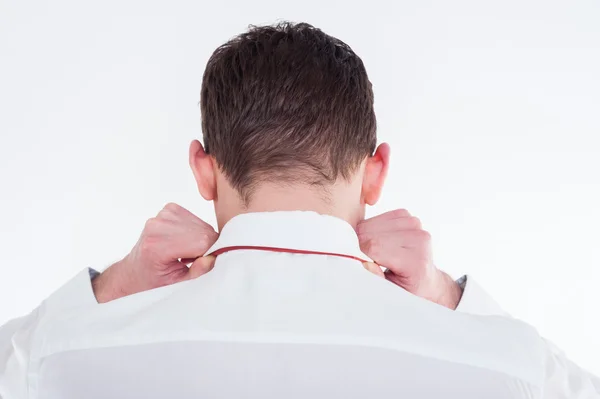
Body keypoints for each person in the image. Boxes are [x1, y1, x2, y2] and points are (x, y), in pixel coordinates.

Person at [0, 22, 598, 398]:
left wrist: (110, 288)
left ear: (203, 169)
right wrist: (451, 300)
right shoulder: (506, 369)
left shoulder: (63, 356)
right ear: (376, 172)